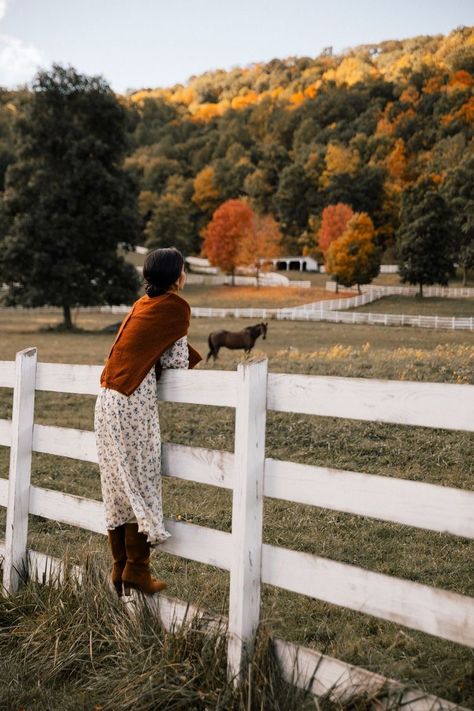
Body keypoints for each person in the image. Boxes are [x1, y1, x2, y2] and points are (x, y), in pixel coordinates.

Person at [95, 247, 202, 596]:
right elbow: (176, 361)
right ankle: (137, 570)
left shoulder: (142, 304)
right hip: (131, 401)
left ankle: (120, 567)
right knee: (140, 479)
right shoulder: (176, 308)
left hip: (108, 396)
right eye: (184, 270)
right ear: (177, 277)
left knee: (117, 483)